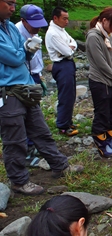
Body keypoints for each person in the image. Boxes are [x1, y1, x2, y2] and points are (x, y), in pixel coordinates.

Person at [0, 0, 83, 195]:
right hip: (7, 91)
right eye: (9, 3)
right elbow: (16, 57)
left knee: (41, 130)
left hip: (26, 87)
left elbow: (25, 53)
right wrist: (25, 50)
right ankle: (19, 181)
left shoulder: (10, 26)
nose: (12, 7)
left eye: (14, 3)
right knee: (15, 139)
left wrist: (25, 52)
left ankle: (60, 165)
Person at [86, 7, 112, 158]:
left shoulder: (107, 36)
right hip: (100, 81)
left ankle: (110, 140)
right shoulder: (93, 36)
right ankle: (101, 143)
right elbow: (101, 63)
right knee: (102, 113)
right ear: (104, 21)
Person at [15, 4, 49, 167]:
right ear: (23, 20)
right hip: (22, 79)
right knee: (23, 114)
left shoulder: (34, 32)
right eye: (34, 25)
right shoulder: (16, 32)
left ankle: (33, 144)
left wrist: (39, 74)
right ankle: (26, 150)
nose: (37, 29)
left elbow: (36, 56)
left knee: (34, 112)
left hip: (34, 75)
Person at [45, 6, 79, 136]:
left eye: (67, 19)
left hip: (67, 63)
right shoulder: (53, 33)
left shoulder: (61, 30)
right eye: (64, 19)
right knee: (65, 96)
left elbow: (73, 43)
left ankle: (67, 121)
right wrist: (68, 48)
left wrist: (69, 47)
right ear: (55, 18)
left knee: (70, 95)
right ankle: (63, 125)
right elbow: (67, 51)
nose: (67, 21)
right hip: (61, 65)